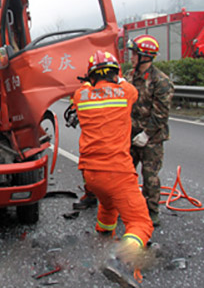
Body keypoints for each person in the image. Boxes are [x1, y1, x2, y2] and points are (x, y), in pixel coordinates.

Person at [69, 50, 154, 288]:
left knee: (108, 204)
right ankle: (122, 261)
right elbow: (129, 87)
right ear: (115, 73)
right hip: (117, 172)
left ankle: (104, 236)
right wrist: (119, 76)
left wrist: (90, 80)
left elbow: (86, 87)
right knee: (141, 223)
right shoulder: (126, 92)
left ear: (91, 76)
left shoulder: (80, 95)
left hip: (91, 175)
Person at [126, 35, 174, 227]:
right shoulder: (130, 76)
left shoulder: (160, 81)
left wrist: (146, 134)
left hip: (151, 138)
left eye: (135, 54)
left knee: (150, 176)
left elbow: (161, 113)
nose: (132, 57)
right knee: (127, 173)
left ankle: (151, 212)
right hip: (131, 134)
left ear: (145, 56)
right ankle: (129, 207)